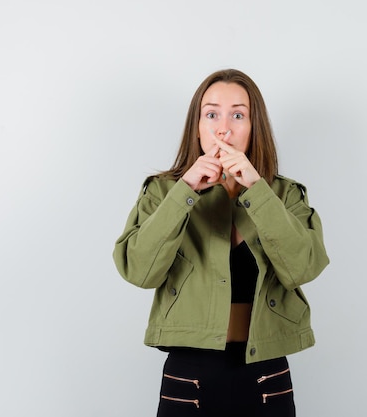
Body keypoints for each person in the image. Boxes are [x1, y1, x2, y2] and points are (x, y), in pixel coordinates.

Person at [113, 69, 329, 416]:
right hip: (189, 377)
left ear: (253, 126)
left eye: (238, 114)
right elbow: (139, 271)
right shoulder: (162, 191)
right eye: (211, 113)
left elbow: (302, 268)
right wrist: (184, 190)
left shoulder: (284, 194)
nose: (222, 128)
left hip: (265, 375)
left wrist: (258, 189)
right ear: (196, 126)